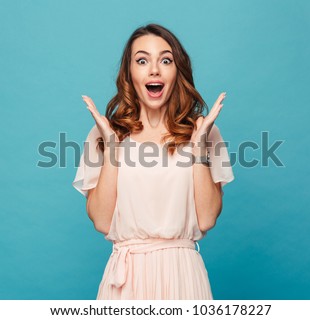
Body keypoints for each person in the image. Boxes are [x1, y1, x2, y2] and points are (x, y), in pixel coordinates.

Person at [73, 23, 234, 299]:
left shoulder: (203, 131)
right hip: (126, 280)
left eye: (166, 60)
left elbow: (206, 219)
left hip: (183, 276)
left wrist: (198, 147)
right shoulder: (106, 133)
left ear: (177, 71)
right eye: (142, 60)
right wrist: (112, 147)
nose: (154, 70)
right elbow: (101, 220)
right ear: (130, 73)